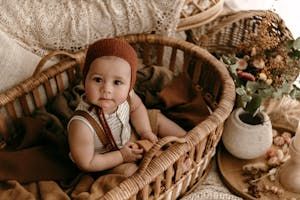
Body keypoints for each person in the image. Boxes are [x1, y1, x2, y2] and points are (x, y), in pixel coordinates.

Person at [67, 38, 187, 176]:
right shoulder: (81, 124)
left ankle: (188, 141)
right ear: (85, 79)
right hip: (108, 158)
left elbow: (137, 108)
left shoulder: (127, 95)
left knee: (155, 117)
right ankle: (169, 174)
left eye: (117, 82)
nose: (107, 89)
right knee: (130, 174)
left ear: (130, 84)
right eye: (98, 79)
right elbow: (86, 163)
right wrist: (121, 156)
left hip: (129, 136)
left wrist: (145, 131)